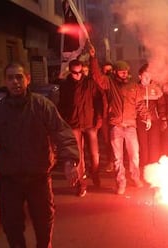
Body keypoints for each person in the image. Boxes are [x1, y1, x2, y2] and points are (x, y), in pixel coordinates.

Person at [0, 62, 80, 248]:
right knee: (12, 226)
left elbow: (61, 132)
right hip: (10, 180)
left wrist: (70, 161)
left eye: (19, 77)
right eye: (10, 78)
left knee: (43, 222)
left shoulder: (42, 105)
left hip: (39, 178)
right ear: (5, 81)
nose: (15, 82)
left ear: (27, 79)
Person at [93, 59, 151, 195]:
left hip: (130, 126)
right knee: (118, 158)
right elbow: (97, 77)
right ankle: (121, 182)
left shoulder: (133, 86)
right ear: (115, 72)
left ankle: (135, 177)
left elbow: (140, 104)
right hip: (116, 125)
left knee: (134, 155)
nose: (124, 74)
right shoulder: (109, 83)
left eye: (126, 71)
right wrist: (93, 59)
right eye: (121, 71)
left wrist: (147, 117)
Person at [58, 46, 105, 197]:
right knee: (77, 156)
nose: (78, 75)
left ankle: (95, 174)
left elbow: (100, 99)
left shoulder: (90, 82)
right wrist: (65, 120)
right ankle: (80, 184)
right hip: (74, 124)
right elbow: (62, 105)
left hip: (90, 123)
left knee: (94, 153)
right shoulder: (65, 86)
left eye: (80, 72)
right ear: (70, 72)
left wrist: (99, 118)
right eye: (75, 73)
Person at [136, 64, 165, 179]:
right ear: (140, 76)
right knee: (143, 147)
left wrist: (162, 118)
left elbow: (162, 105)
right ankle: (144, 171)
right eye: (145, 76)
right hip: (141, 122)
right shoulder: (136, 88)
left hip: (154, 121)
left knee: (154, 146)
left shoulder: (156, 88)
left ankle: (153, 171)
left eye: (149, 76)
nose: (147, 78)